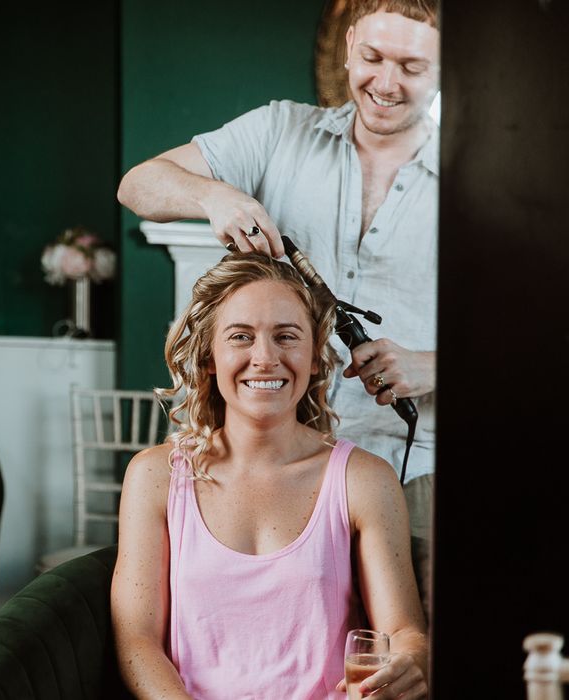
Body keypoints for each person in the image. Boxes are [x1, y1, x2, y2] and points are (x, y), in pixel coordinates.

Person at [116, 0, 439, 614]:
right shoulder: (278, 131)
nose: (385, 83)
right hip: (284, 461)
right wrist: (213, 195)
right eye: (371, 58)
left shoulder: (476, 174)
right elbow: (138, 185)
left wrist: (434, 365)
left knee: (411, 644)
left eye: (411, 67)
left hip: (414, 462)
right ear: (347, 48)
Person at [111, 252, 428, 699]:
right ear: (209, 358)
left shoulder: (364, 479)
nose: (265, 358)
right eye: (241, 336)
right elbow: (137, 642)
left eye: (286, 337)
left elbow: (404, 632)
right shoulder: (154, 477)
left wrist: (410, 663)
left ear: (316, 358)